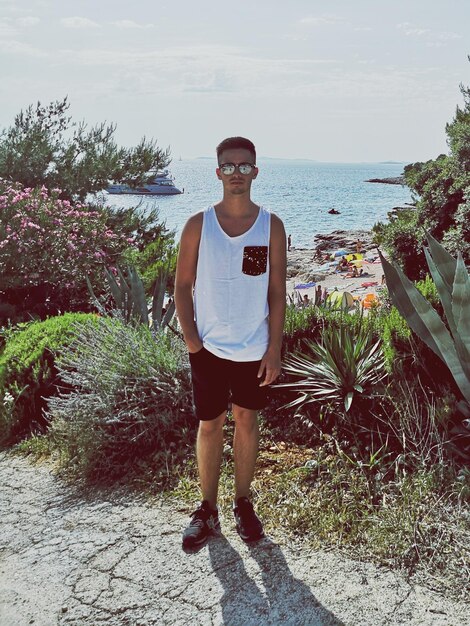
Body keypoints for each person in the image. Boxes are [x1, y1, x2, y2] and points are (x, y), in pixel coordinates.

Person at [175, 136, 287, 549]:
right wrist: (192, 341)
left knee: (246, 421)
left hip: (254, 348)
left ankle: (243, 502)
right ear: (217, 171)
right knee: (210, 424)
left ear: (255, 172)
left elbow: (276, 290)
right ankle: (206, 509)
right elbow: (182, 286)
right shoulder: (197, 225)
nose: (236, 173)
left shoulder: (270, 225)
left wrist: (274, 347)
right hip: (208, 348)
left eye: (244, 166)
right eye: (229, 166)